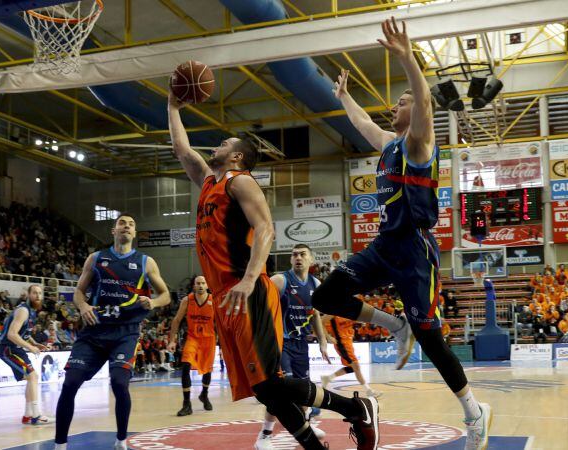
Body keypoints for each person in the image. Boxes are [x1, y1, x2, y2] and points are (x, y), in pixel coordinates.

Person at [311, 17, 491, 449]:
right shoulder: (389, 145)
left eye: (402, 101)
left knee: (430, 337)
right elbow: (362, 126)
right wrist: (344, 97)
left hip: (414, 249)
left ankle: (473, 411)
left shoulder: (418, 144)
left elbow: (425, 104)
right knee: (325, 296)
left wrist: (409, 59)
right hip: (384, 246)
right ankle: (394, 325)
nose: (395, 107)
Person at [169, 88, 378, 450]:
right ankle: (317, 442)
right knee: (263, 388)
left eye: (224, 143)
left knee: (270, 382)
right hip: (226, 297)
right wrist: (172, 105)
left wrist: (250, 279)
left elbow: (266, 228)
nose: (215, 145)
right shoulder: (208, 183)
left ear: (236, 156)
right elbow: (182, 150)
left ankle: (356, 407)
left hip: (247, 290)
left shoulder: (241, 181)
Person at [54, 213, 170, 450]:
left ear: (135, 233)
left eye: (131, 224)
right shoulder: (96, 259)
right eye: (122, 223)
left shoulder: (146, 262)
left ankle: (121, 440)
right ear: (113, 231)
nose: (127, 226)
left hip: (125, 333)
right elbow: (78, 292)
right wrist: (84, 305)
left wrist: (154, 303)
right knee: (70, 383)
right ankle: (60, 445)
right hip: (93, 332)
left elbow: (166, 295)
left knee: (119, 382)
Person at [255, 244, 332, 449]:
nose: (297, 257)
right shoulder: (281, 280)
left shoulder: (316, 283)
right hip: (281, 343)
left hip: (301, 344)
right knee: (280, 391)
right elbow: (259, 299)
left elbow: (315, 314)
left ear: (311, 260)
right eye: (294, 254)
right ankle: (264, 435)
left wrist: (323, 341)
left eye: (302, 254)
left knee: (304, 389)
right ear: (291, 260)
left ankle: (306, 425)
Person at [0, 285, 54, 425]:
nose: (38, 296)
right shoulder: (23, 310)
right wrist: (30, 348)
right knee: (33, 376)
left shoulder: (32, 312)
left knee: (31, 378)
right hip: (8, 349)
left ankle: (28, 415)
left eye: (40, 293)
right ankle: (36, 415)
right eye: (35, 293)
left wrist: (34, 343)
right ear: (28, 294)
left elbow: (24, 334)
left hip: (16, 349)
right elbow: (12, 334)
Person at [168, 276, 216, 416]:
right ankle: (186, 404)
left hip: (209, 339)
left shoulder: (214, 301)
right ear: (194, 286)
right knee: (186, 366)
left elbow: (222, 323)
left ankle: (204, 394)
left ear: (207, 285)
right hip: (193, 338)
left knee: (207, 370)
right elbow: (176, 321)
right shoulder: (187, 300)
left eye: (203, 283)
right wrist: (172, 340)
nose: (200, 285)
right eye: (198, 283)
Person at [320, 313, 378, 397]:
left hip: (349, 342)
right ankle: (369, 391)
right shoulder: (332, 312)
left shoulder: (348, 310)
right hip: (342, 344)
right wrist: (328, 337)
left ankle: (327, 378)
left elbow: (357, 319)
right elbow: (321, 322)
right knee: (356, 366)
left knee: (352, 368)